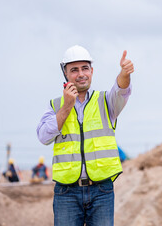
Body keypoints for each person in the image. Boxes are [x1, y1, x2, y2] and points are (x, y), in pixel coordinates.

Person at [36, 45, 134, 226]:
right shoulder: (55, 105)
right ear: (65, 73)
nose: (81, 74)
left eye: (85, 68)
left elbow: (121, 90)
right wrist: (67, 106)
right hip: (67, 193)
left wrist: (124, 74)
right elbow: (43, 136)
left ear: (92, 71)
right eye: (74, 70)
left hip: (101, 191)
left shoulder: (106, 101)